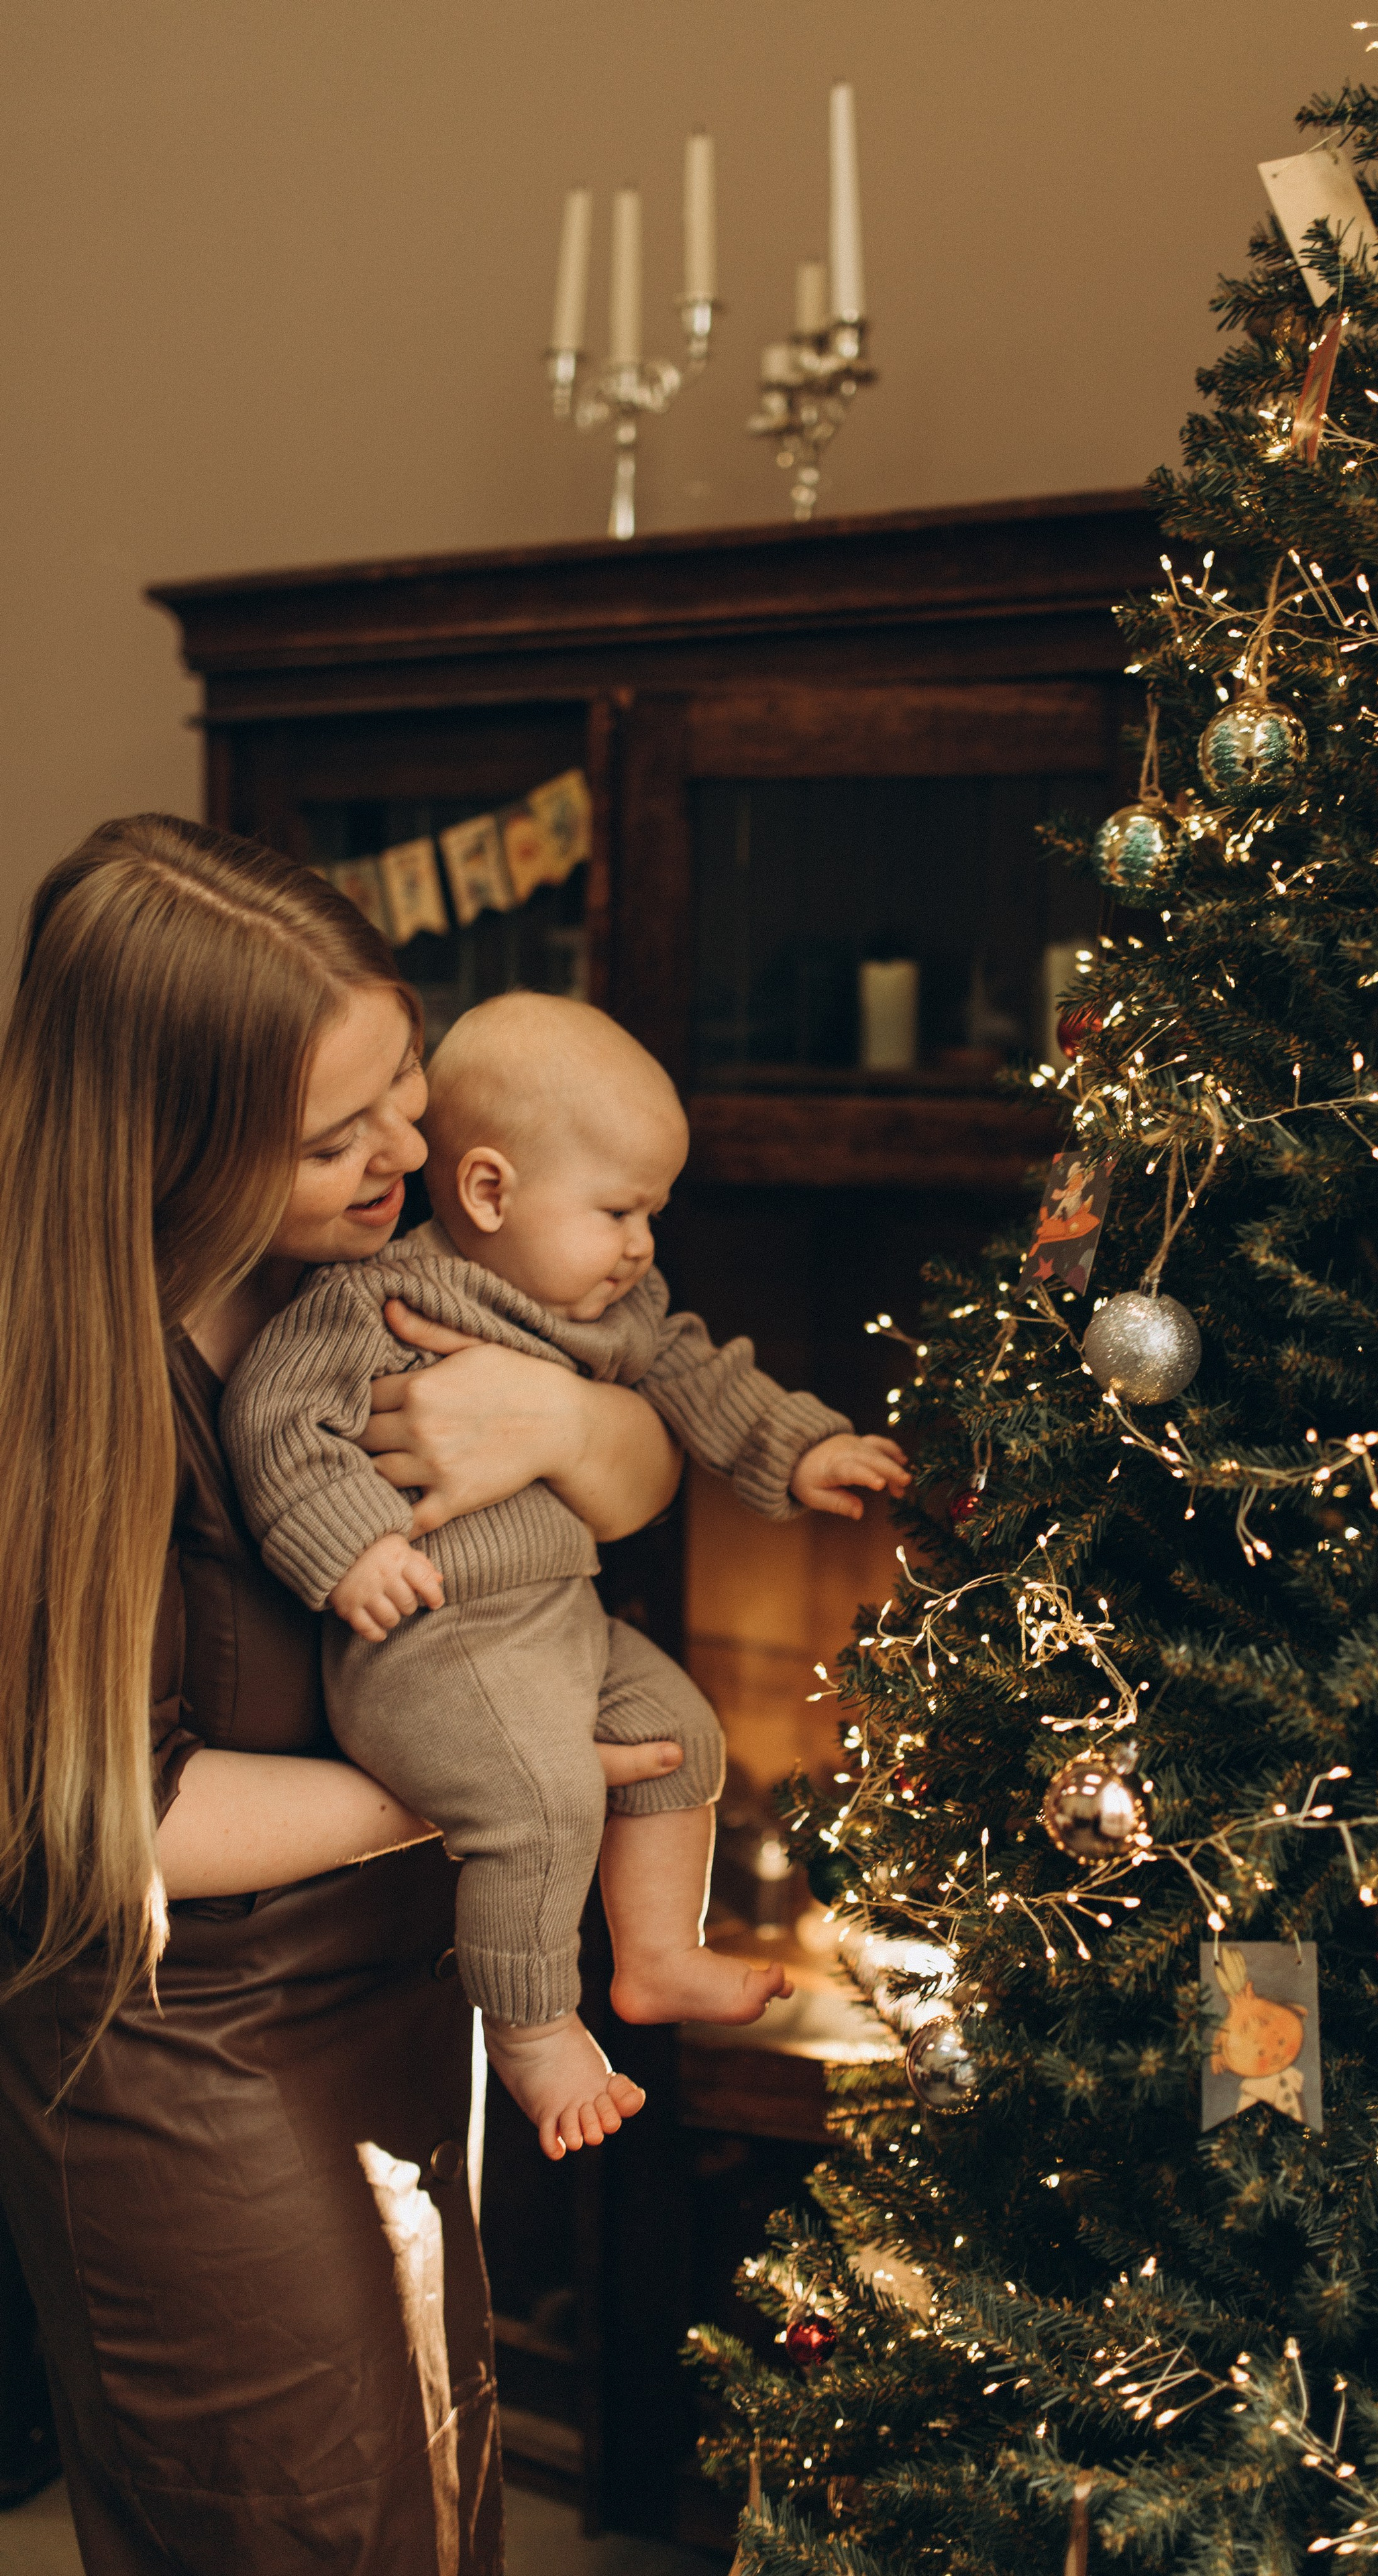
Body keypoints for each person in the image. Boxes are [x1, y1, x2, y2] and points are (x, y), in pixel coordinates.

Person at [0, 815, 688, 2575]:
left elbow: (645, 1462)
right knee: (321, 2522)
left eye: (404, 1082)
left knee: (437, 2499)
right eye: (334, 1137)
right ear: (176, 1142)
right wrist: (488, 1776)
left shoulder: (358, 1266)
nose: (408, 1148)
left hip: (397, 1990)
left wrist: (568, 1422)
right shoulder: (59, 1384)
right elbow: (118, 1813)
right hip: (187, 2052)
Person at [221, 993, 911, 2160]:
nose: (643, 1245)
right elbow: (278, 1418)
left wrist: (801, 1451)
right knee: (540, 1803)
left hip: (558, 1620)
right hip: (430, 1641)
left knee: (682, 1737)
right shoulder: (374, 1298)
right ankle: (534, 2028)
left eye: (654, 1213)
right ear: (490, 1193)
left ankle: (656, 1956)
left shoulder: (614, 1306)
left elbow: (699, 1377)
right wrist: (353, 1549)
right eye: (618, 1211)